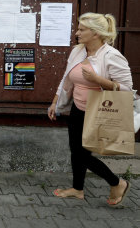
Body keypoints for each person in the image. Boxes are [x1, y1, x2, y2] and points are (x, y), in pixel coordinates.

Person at [48, 13, 131, 205]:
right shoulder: (78, 51)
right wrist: (55, 102)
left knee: (82, 154)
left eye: (81, 29)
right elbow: (66, 78)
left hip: (99, 112)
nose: (77, 33)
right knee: (76, 150)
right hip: (78, 109)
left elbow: (127, 89)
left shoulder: (112, 56)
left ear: (96, 33)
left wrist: (98, 81)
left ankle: (117, 183)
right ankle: (78, 189)